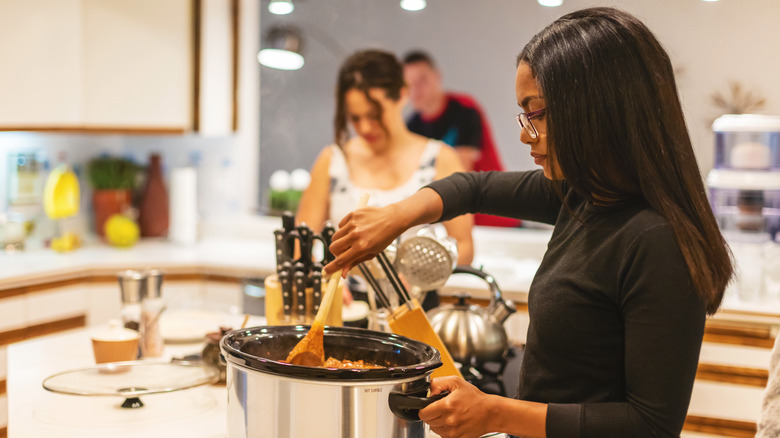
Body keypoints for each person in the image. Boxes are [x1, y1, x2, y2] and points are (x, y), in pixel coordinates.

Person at [324, 8, 733, 438]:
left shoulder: (656, 240)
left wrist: (495, 413)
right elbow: (473, 187)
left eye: (535, 112)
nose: (524, 133)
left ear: (595, 109)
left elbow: (649, 425)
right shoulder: (585, 195)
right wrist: (395, 216)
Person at [295, 49, 474, 305]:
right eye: (355, 118)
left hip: (414, 305)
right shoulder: (333, 161)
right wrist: (318, 278)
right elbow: (301, 243)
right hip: (346, 308)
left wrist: (420, 277)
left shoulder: (440, 159)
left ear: (402, 94)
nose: (365, 127)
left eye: (375, 115)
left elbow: (464, 245)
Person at [403, 50, 519, 228]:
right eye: (409, 83)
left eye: (422, 80)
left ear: (437, 77)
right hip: (454, 218)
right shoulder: (412, 125)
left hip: (494, 215)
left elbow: (460, 173)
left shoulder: (464, 109)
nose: (416, 90)